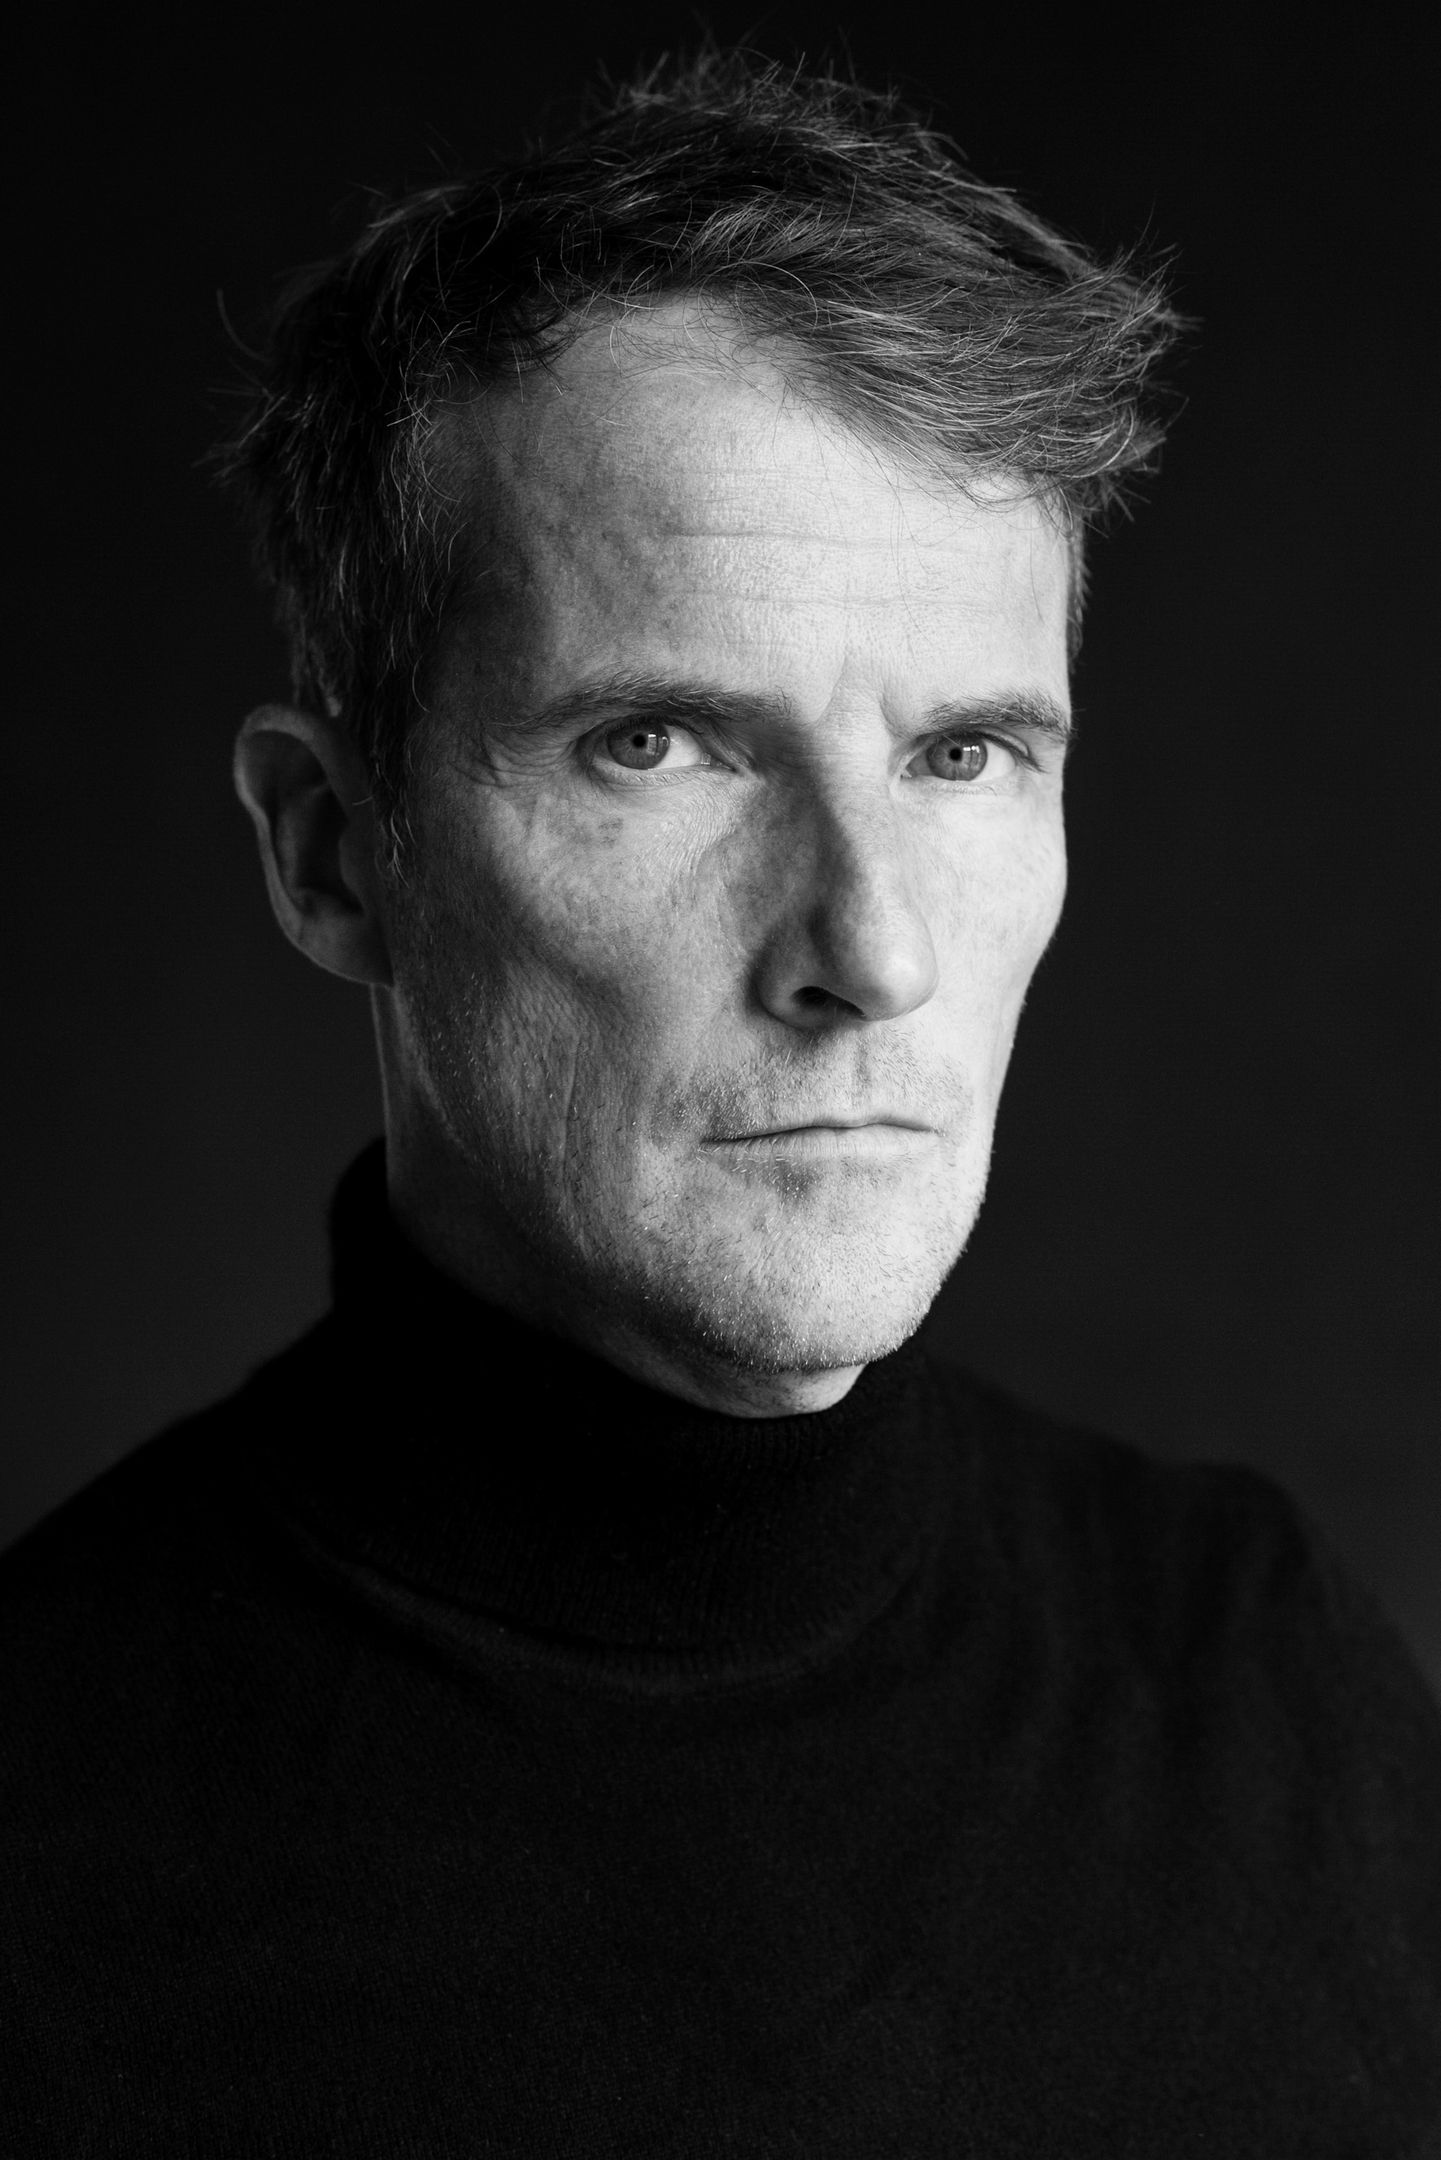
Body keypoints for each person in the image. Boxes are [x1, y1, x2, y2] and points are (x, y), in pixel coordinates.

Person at [3, 50, 1438, 2156]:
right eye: (661, 744)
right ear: (331, 854)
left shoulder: (1258, 1673)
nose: (872, 951)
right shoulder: (44, 1833)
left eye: (962, 755)